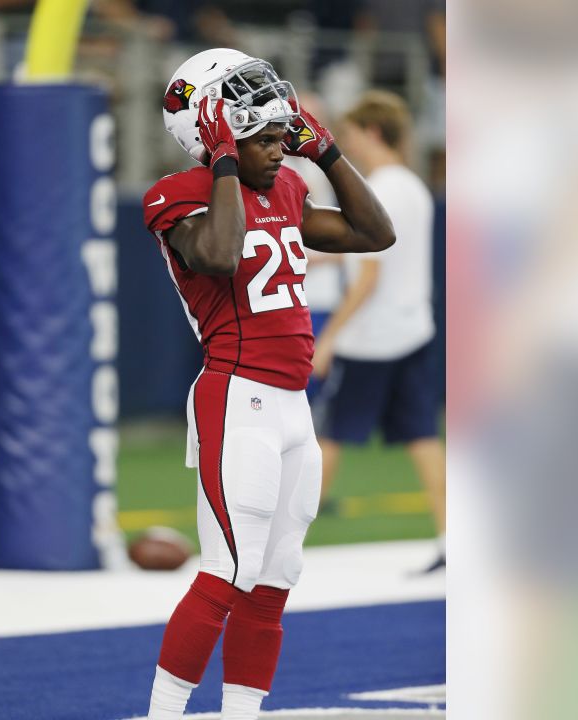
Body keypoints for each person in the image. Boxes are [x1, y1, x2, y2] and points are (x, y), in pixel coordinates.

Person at [141, 48, 395, 719]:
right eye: (265, 135)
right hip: (236, 394)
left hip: (290, 406)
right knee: (228, 569)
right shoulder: (177, 194)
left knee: (276, 579)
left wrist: (329, 151)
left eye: (284, 134)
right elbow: (220, 254)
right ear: (215, 132)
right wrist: (226, 159)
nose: (281, 147)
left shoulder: (285, 187)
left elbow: (376, 233)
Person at [309, 90, 446, 571]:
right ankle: (453, 538)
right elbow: (378, 257)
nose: (345, 146)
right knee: (423, 437)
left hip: (370, 340)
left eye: (348, 136)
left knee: (329, 436)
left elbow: (370, 275)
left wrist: (327, 339)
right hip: (413, 329)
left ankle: (283, 551)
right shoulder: (411, 186)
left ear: (371, 132)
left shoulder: (379, 190)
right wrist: (317, 257)